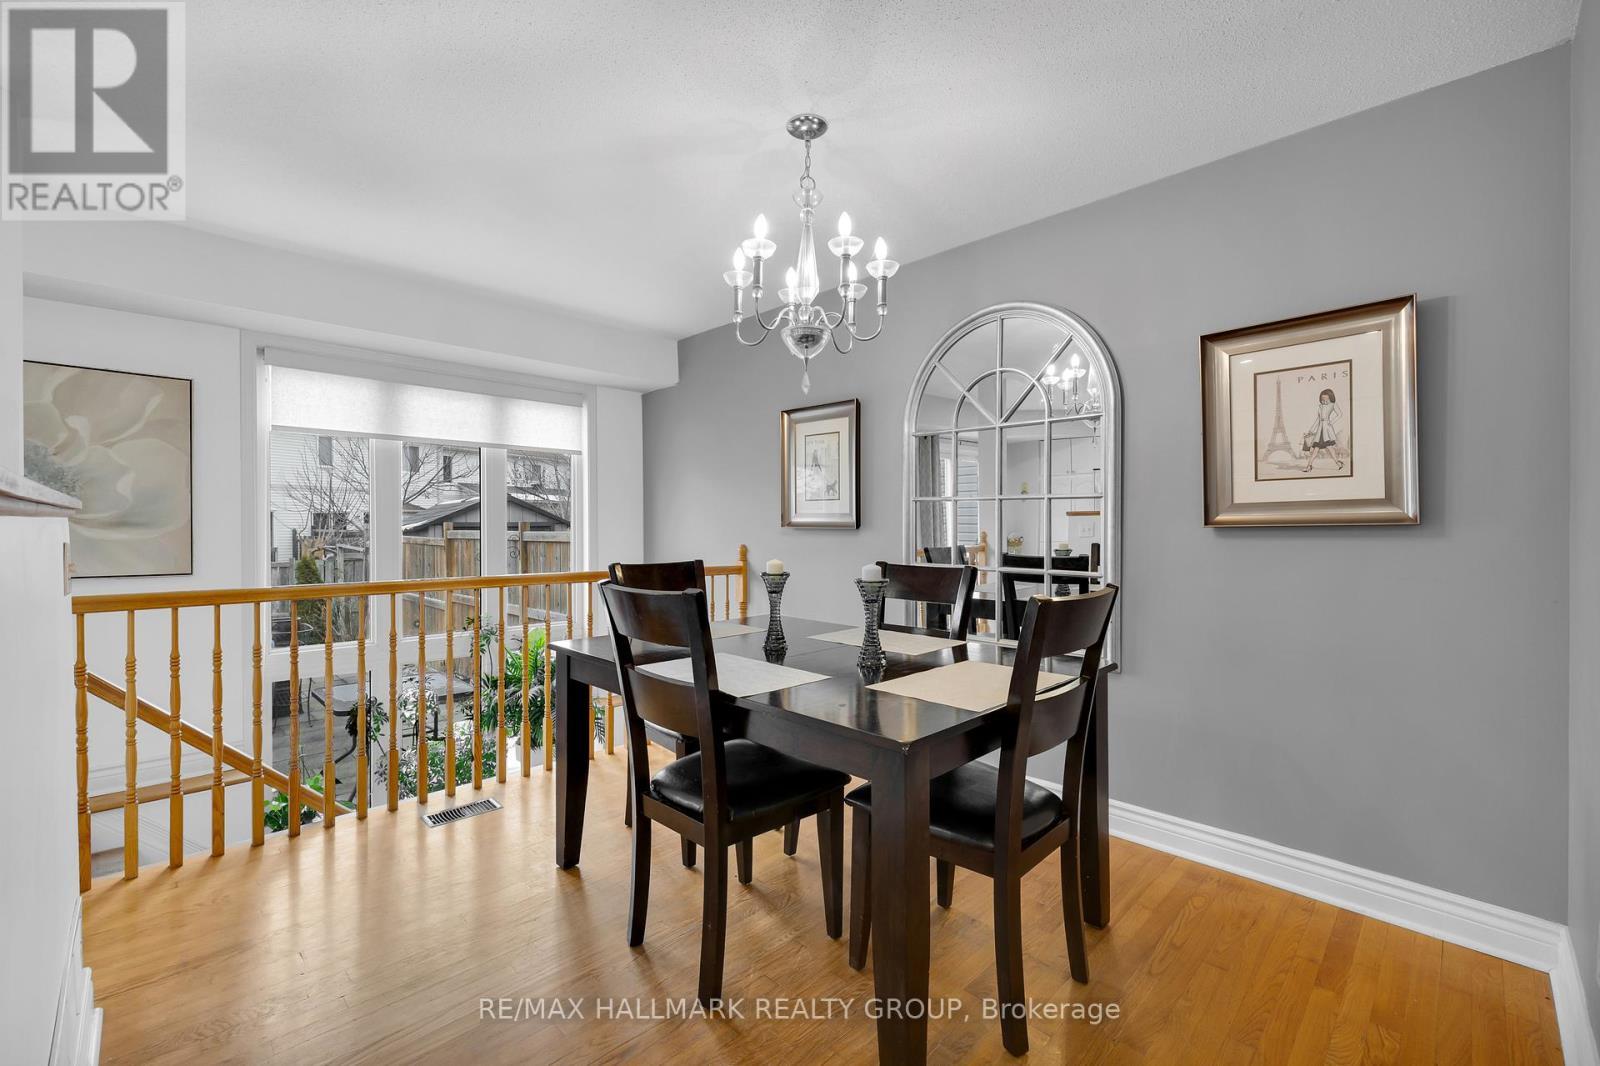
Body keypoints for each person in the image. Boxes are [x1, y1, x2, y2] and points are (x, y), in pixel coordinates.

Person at [1301, 388, 1344, 472]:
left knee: (1328, 447)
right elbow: (1318, 419)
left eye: (1326, 399)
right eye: (1322, 399)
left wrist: (1331, 422)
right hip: (1320, 430)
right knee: (1316, 449)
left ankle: (1338, 463)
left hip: (1326, 430)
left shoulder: (1333, 405)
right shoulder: (1320, 406)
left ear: (1330, 398)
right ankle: (1309, 466)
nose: (1324, 401)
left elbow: (1340, 414)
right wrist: (1311, 430)